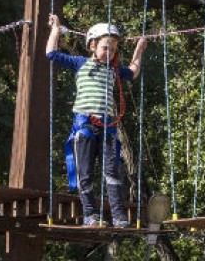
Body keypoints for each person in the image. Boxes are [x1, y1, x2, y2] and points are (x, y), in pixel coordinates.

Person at [46, 14, 147, 227]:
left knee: (112, 171)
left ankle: (118, 216)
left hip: (108, 127)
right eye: (105, 48)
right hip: (85, 124)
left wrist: (140, 49)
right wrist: (55, 29)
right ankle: (90, 215)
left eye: (114, 49)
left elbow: (133, 71)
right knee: (85, 172)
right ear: (92, 45)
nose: (110, 53)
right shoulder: (80, 63)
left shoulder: (114, 71)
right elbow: (52, 54)